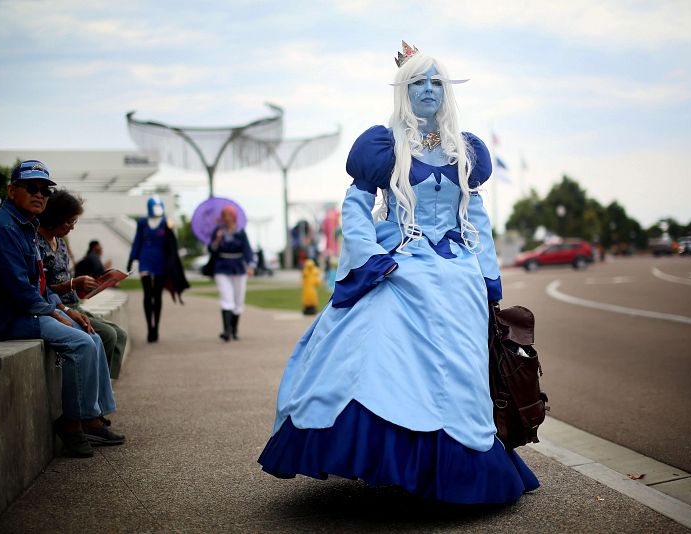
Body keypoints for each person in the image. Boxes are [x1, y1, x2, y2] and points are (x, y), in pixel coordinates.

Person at [258, 43, 539, 504]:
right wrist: (369, 257)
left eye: (435, 82)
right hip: (398, 263)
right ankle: (385, 454)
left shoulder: (465, 151)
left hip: (455, 270)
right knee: (370, 348)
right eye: (417, 82)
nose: (427, 89)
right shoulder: (385, 146)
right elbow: (355, 204)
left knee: (460, 369)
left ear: (446, 92)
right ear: (402, 91)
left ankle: (457, 459)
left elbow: (478, 217)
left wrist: (488, 274)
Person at [0, 160, 124, 457]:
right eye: (32, 188)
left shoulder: (26, 225)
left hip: (31, 309)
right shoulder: (3, 228)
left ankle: (91, 417)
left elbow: (39, 286)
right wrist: (56, 311)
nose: (40, 194)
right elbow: (20, 290)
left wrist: (64, 310)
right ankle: (71, 424)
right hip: (11, 317)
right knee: (80, 342)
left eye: (45, 190)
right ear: (12, 191)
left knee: (92, 336)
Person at [36, 191, 129, 379]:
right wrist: (71, 284)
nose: (72, 228)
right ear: (56, 217)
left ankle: (105, 386)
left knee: (120, 334)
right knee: (109, 335)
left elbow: (65, 280)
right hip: (58, 309)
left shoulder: (60, 242)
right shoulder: (36, 243)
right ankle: (100, 389)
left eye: (74, 222)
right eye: (69, 222)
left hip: (74, 304)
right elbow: (39, 289)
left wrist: (84, 287)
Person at [127, 195, 189, 342]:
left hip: (161, 261)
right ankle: (149, 326)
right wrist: (131, 258)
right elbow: (137, 240)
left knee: (158, 295)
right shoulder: (142, 222)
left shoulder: (167, 222)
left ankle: (156, 327)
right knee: (147, 295)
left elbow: (172, 243)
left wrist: (172, 261)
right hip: (145, 259)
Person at [208, 204, 255, 341]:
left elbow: (247, 250)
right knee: (226, 298)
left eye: (230, 215)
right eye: (225, 215)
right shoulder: (218, 231)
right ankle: (226, 331)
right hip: (222, 267)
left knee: (238, 300)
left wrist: (250, 265)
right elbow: (211, 250)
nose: (227, 218)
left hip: (238, 268)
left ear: (234, 216)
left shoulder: (240, 232)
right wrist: (217, 239)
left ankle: (234, 329)